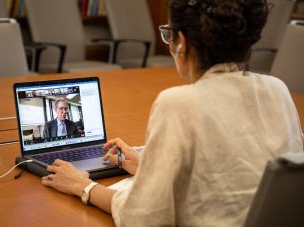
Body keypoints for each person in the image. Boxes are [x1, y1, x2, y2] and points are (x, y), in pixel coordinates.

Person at [41, 0, 304, 226]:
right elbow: (235, 174)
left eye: (168, 35)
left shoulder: (178, 102)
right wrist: (148, 166)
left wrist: (82, 186)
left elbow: (143, 218)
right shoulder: (277, 89)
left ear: (181, 42)